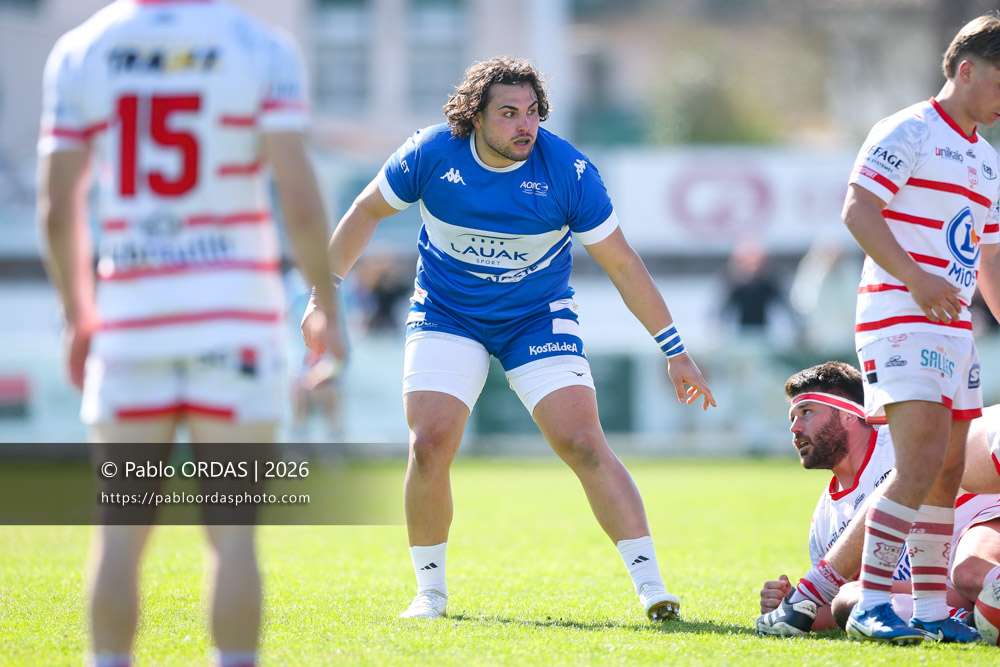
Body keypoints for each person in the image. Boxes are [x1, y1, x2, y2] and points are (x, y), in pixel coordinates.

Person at [301, 56, 716, 621]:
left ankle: (652, 586)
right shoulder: (430, 152)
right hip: (447, 312)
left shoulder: (569, 171)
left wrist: (676, 351)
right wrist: (321, 298)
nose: (526, 125)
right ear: (475, 117)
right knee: (429, 444)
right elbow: (365, 211)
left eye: (533, 111)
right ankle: (430, 594)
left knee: (582, 441)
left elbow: (622, 264)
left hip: (535, 317)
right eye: (509, 113)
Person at [35, 2, 344, 666]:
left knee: (120, 530)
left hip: (131, 321)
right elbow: (298, 198)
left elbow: (59, 207)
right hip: (235, 320)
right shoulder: (260, 46)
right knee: (232, 535)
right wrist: (327, 302)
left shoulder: (82, 49)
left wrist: (77, 313)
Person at [837, 12, 1000, 644]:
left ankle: (930, 610)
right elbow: (858, 209)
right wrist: (917, 278)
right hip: (900, 316)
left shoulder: (987, 159)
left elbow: (988, 259)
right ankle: (874, 602)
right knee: (919, 462)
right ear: (967, 70)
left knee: (948, 472)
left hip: (955, 330)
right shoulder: (907, 129)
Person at [755, 362, 1000, 638]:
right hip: (937, 594)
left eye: (806, 412)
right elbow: (834, 610)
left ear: (849, 414)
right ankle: (971, 621)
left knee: (967, 572)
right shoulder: (823, 520)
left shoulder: (902, 443)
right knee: (848, 599)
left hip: (979, 533)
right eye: (792, 418)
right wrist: (794, 605)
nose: (795, 427)